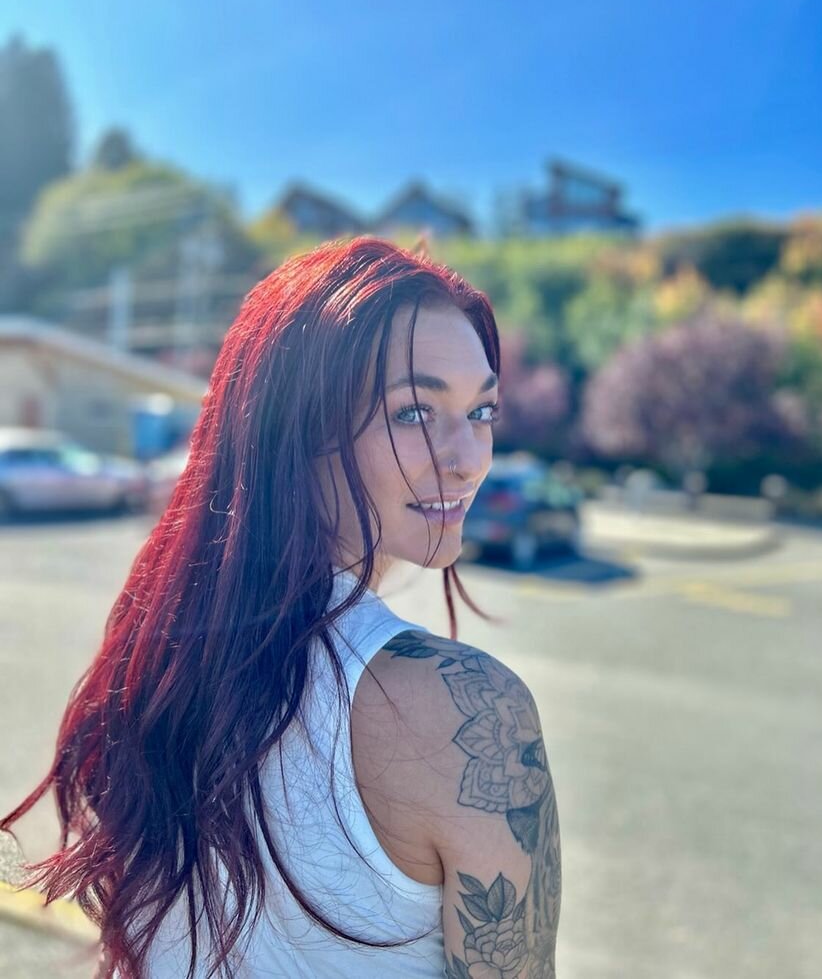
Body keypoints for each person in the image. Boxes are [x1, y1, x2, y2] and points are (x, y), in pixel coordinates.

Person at [1, 236, 561, 978]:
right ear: (296, 426)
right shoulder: (471, 714)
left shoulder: (159, 658)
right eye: (415, 412)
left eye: (482, 409)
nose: (468, 458)